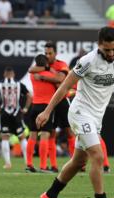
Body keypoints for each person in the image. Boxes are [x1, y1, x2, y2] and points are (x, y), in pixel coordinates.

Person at [36, 27, 114, 198]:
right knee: (98, 156)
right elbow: (65, 86)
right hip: (80, 113)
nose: (111, 53)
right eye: (107, 50)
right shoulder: (87, 61)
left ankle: (50, 195)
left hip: (96, 117)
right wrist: (47, 111)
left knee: (78, 161)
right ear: (99, 45)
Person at [29, 41, 73, 173]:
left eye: (50, 53)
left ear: (55, 53)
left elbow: (60, 79)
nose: (48, 55)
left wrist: (42, 76)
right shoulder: (44, 65)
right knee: (51, 133)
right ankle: (53, 165)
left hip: (62, 101)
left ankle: (77, 163)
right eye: (46, 53)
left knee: (69, 131)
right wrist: (47, 70)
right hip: (49, 103)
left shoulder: (62, 64)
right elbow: (31, 70)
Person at [0, 66, 31, 169]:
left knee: (5, 137)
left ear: (4, 74)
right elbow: (29, 95)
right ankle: (27, 162)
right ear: (13, 74)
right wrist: (25, 108)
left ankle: (8, 164)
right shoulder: (19, 84)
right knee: (22, 137)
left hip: (4, 114)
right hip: (16, 113)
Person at [26, 54, 63, 173]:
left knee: (32, 135)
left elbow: (32, 70)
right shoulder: (51, 75)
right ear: (46, 63)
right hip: (46, 108)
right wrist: (50, 70)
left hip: (34, 106)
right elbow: (59, 83)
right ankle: (43, 165)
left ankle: (29, 164)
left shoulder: (33, 75)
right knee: (44, 136)